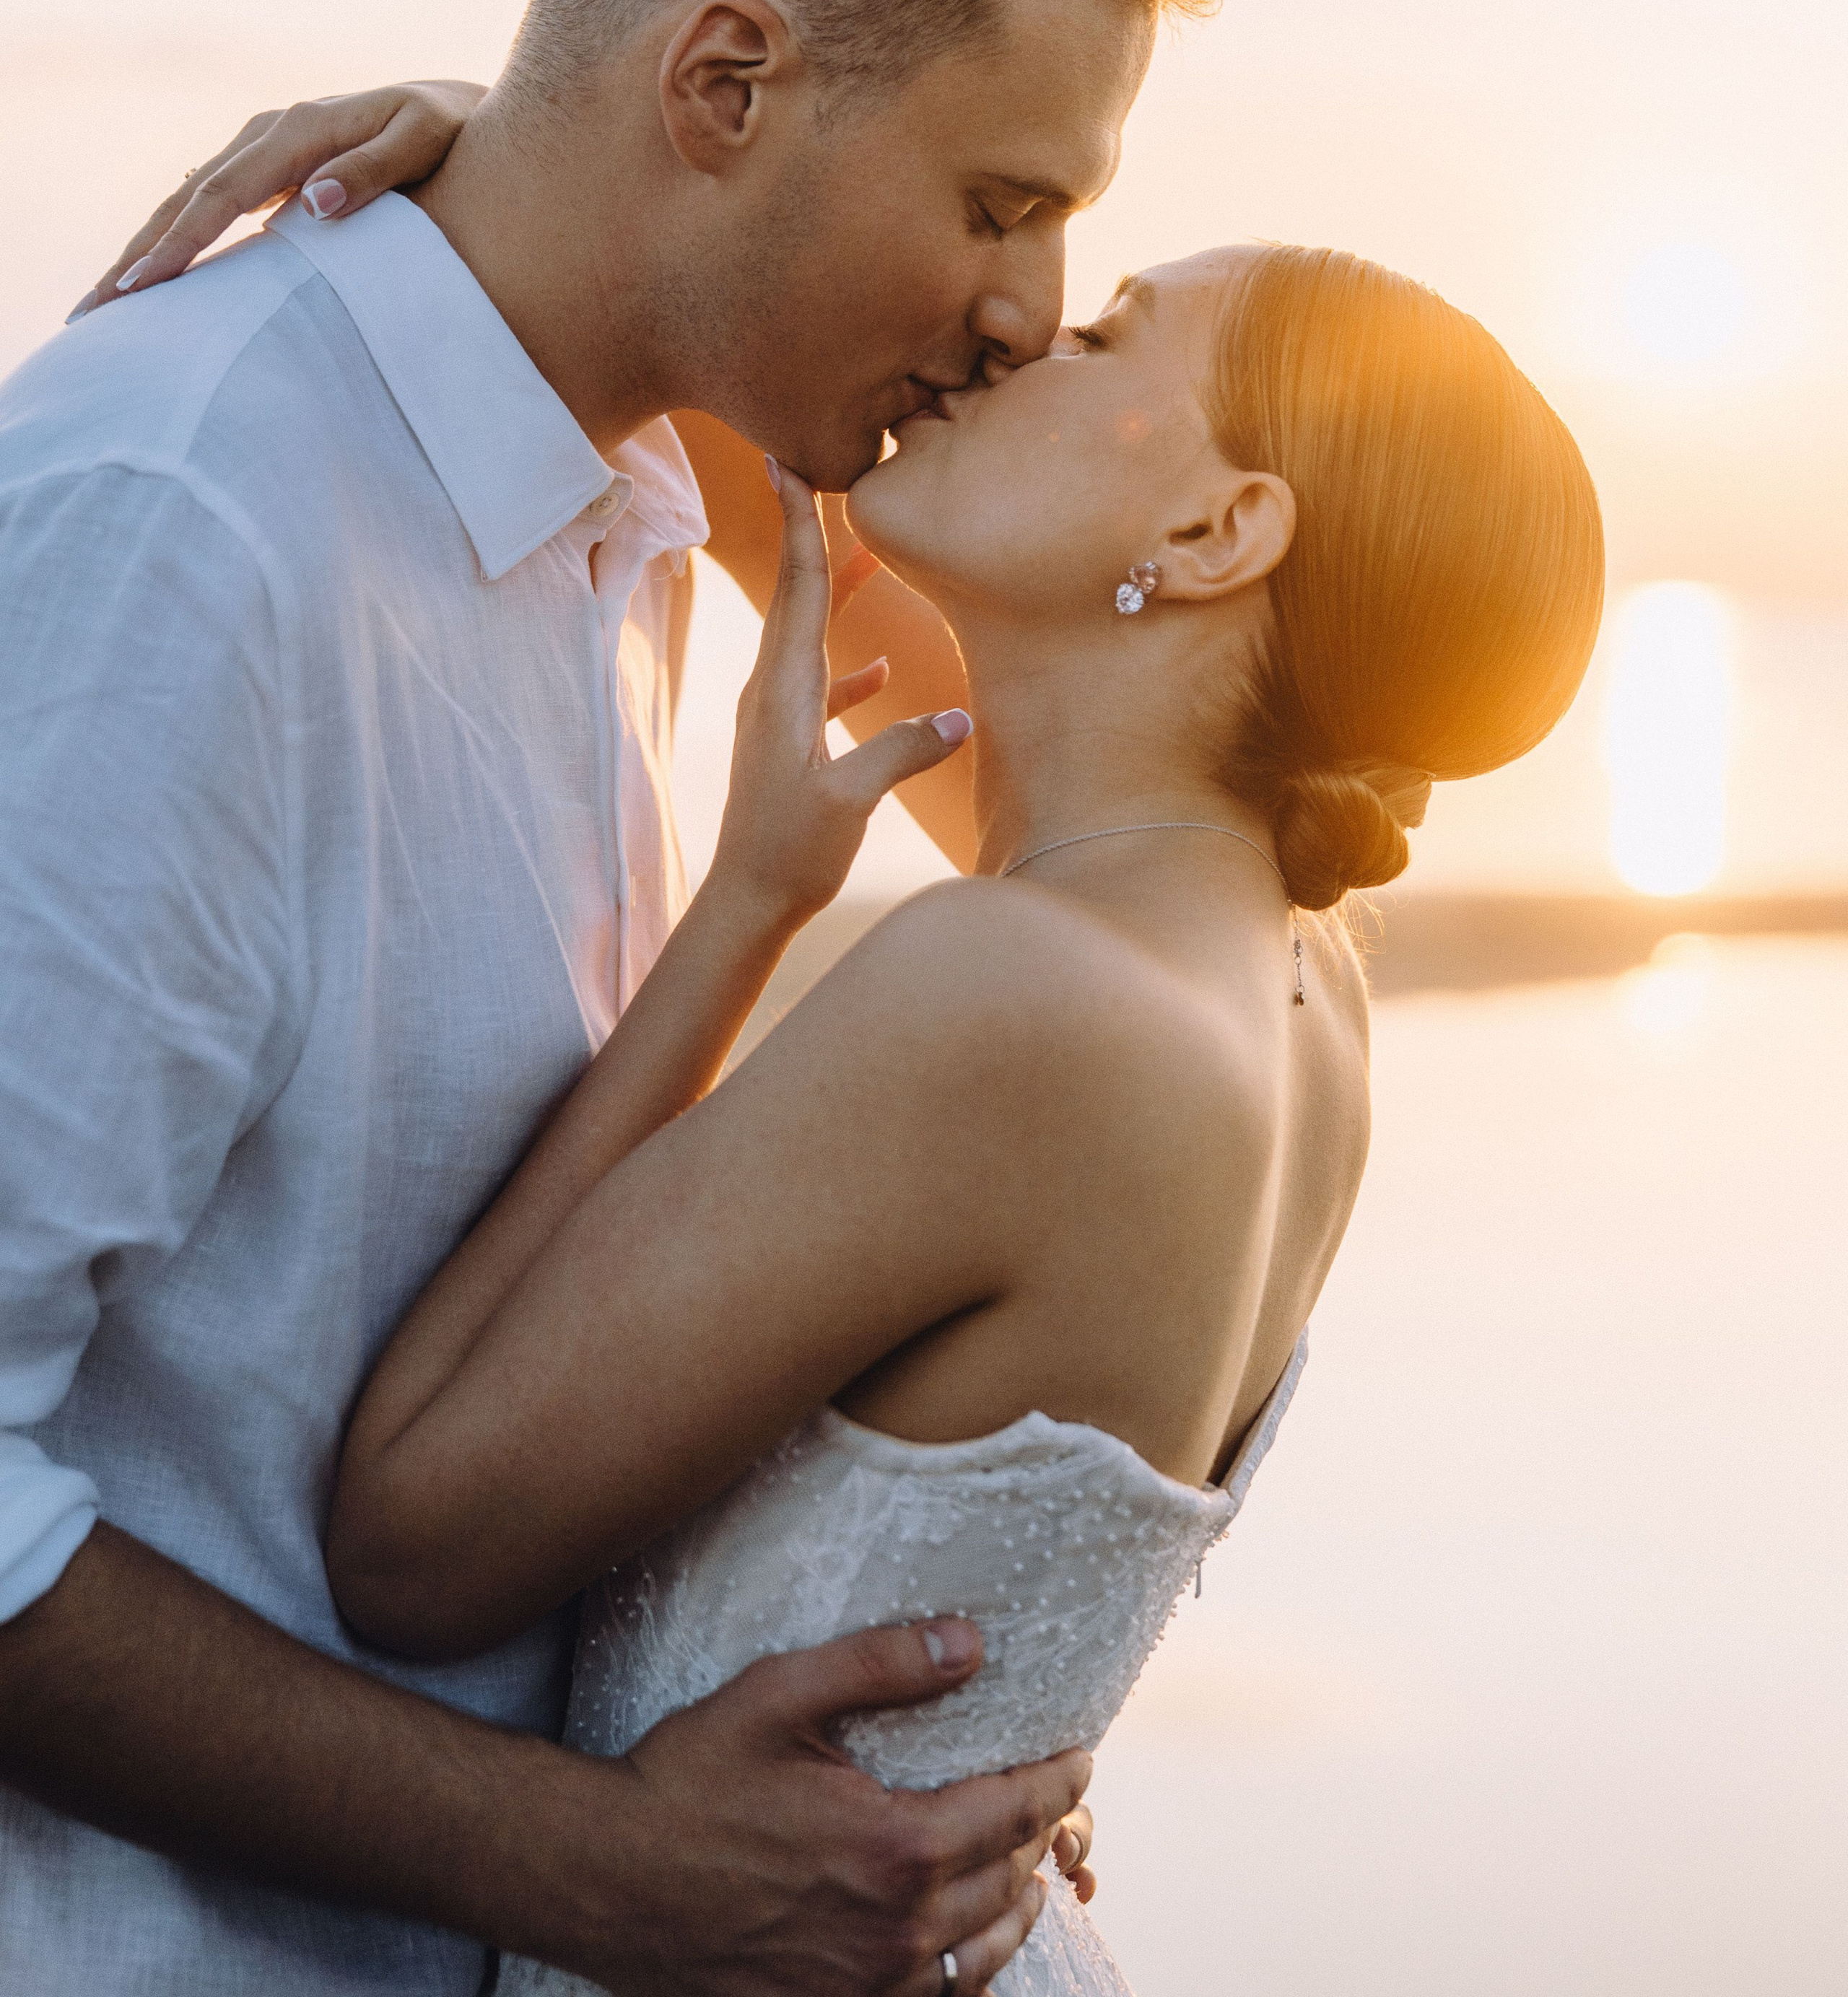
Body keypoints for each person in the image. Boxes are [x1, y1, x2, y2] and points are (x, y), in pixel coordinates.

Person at [0, 0, 1227, 1996]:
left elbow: (1116, 831)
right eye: (1001, 202)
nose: (1025, 304)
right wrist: (592, 1863)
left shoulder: (661, 492)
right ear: (729, 85)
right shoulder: (187, 523)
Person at [97, 225, 1600, 1995]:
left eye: (1109, 336)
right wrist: (508, 202)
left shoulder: (1018, 1002)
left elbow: (413, 1539)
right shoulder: (1280, 975)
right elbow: (771, 503)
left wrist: (742, 908)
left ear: (1213, 533)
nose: (1014, 341)